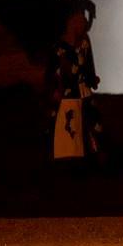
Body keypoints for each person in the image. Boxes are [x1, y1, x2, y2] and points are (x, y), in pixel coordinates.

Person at [50, 12, 103, 162]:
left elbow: (88, 62)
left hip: (83, 87)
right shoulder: (60, 47)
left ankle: (96, 151)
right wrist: (56, 89)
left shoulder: (84, 41)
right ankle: (71, 156)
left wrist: (92, 78)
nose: (83, 28)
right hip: (68, 92)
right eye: (80, 24)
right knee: (70, 124)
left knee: (92, 119)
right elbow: (58, 72)